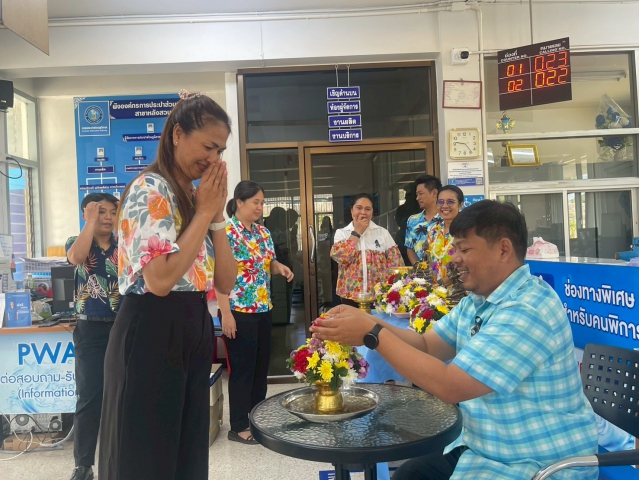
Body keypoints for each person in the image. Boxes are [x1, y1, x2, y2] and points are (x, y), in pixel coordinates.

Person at [311, 200, 598, 480]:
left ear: (503, 249)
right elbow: (427, 345)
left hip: (534, 461)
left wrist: (372, 334)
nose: (454, 259)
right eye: (454, 248)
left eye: (464, 249)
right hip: (484, 447)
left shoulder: (527, 309)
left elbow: (450, 386)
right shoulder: (478, 301)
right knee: (410, 473)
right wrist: (368, 321)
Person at [98, 93, 237, 480]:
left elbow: (226, 281)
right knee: (146, 454)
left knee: (186, 450)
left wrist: (216, 215)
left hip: (192, 324)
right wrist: (204, 211)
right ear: (177, 134)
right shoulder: (150, 190)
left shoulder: (194, 198)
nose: (214, 159)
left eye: (220, 151)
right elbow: (158, 281)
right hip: (152, 326)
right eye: (208, 146)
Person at [215, 181, 294, 444]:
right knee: (242, 370)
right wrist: (226, 313)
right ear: (239, 202)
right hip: (238, 310)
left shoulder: (262, 232)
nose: (260, 207)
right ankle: (238, 426)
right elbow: (218, 275)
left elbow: (268, 263)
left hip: (262, 308)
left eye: (262, 202)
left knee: (260, 369)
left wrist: (279, 267)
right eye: (255, 202)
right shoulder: (226, 232)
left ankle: (257, 419)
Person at [65, 192, 120, 480]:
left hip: (122, 327)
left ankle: (123, 459)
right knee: (89, 397)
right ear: (87, 214)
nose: (108, 217)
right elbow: (76, 258)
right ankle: (83, 465)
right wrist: (89, 223)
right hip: (90, 330)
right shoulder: (76, 242)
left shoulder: (125, 245)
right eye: (101, 212)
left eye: (112, 212)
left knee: (124, 394)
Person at [331, 193, 404, 307]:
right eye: (359, 208)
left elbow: (396, 265)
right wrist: (357, 232)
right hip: (350, 296)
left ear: (372, 212)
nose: (363, 212)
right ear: (352, 210)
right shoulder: (342, 233)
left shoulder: (382, 233)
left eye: (368, 209)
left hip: (379, 296)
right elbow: (342, 258)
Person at [425, 185, 464, 285]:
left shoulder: (465, 232)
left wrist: (440, 285)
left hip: (459, 290)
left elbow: (464, 265)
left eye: (450, 202)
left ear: (460, 205)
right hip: (435, 291)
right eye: (441, 202)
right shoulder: (433, 231)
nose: (445, 206)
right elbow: (429, 262)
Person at [405, 175, 442, 265]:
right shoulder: (412, 220)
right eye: (417, 194)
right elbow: (410, 248)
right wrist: (419, 267)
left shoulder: (447, 218)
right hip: (421, 272)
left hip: (444, 271)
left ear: (434, 193)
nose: (417, 198)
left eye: (420, 194)